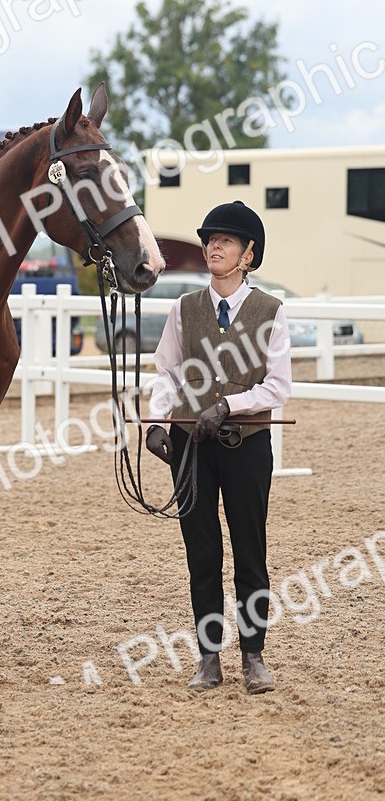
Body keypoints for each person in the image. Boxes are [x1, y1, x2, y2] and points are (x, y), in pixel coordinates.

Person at [145, 200, 292, 694]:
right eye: (210, 239)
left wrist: (228, 405)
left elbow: (277, 387)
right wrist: (158, 421)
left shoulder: (271, 311)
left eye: (225, 240)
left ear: (249, 254)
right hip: (191, 446)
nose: (214, 246)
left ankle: (254, 656)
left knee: (251, 551)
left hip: (247, 446)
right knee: (202, 553)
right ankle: (209, 657)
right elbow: (166, 370)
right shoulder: (184, 309)